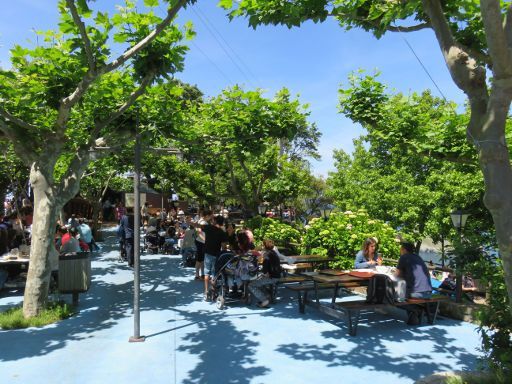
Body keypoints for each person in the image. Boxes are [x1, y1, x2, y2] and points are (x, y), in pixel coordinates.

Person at [248, 238, 282, 308]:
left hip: (272, 277)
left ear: (264, 246)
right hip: (277, 276)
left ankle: (264, 300)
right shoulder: (273, 252)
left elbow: (265, 272)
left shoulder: (266, 255)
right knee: (259, 280)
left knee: (251, 285)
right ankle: (267, 296)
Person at [202, 214, 228, 300]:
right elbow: (224, 246)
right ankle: (213, 291)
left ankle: (206, 292)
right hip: (216, 254)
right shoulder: (222, 233)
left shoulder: (209, 228)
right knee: (214, 274)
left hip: (208, 253)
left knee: (206, 273)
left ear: (215, 221)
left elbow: (198, 226)